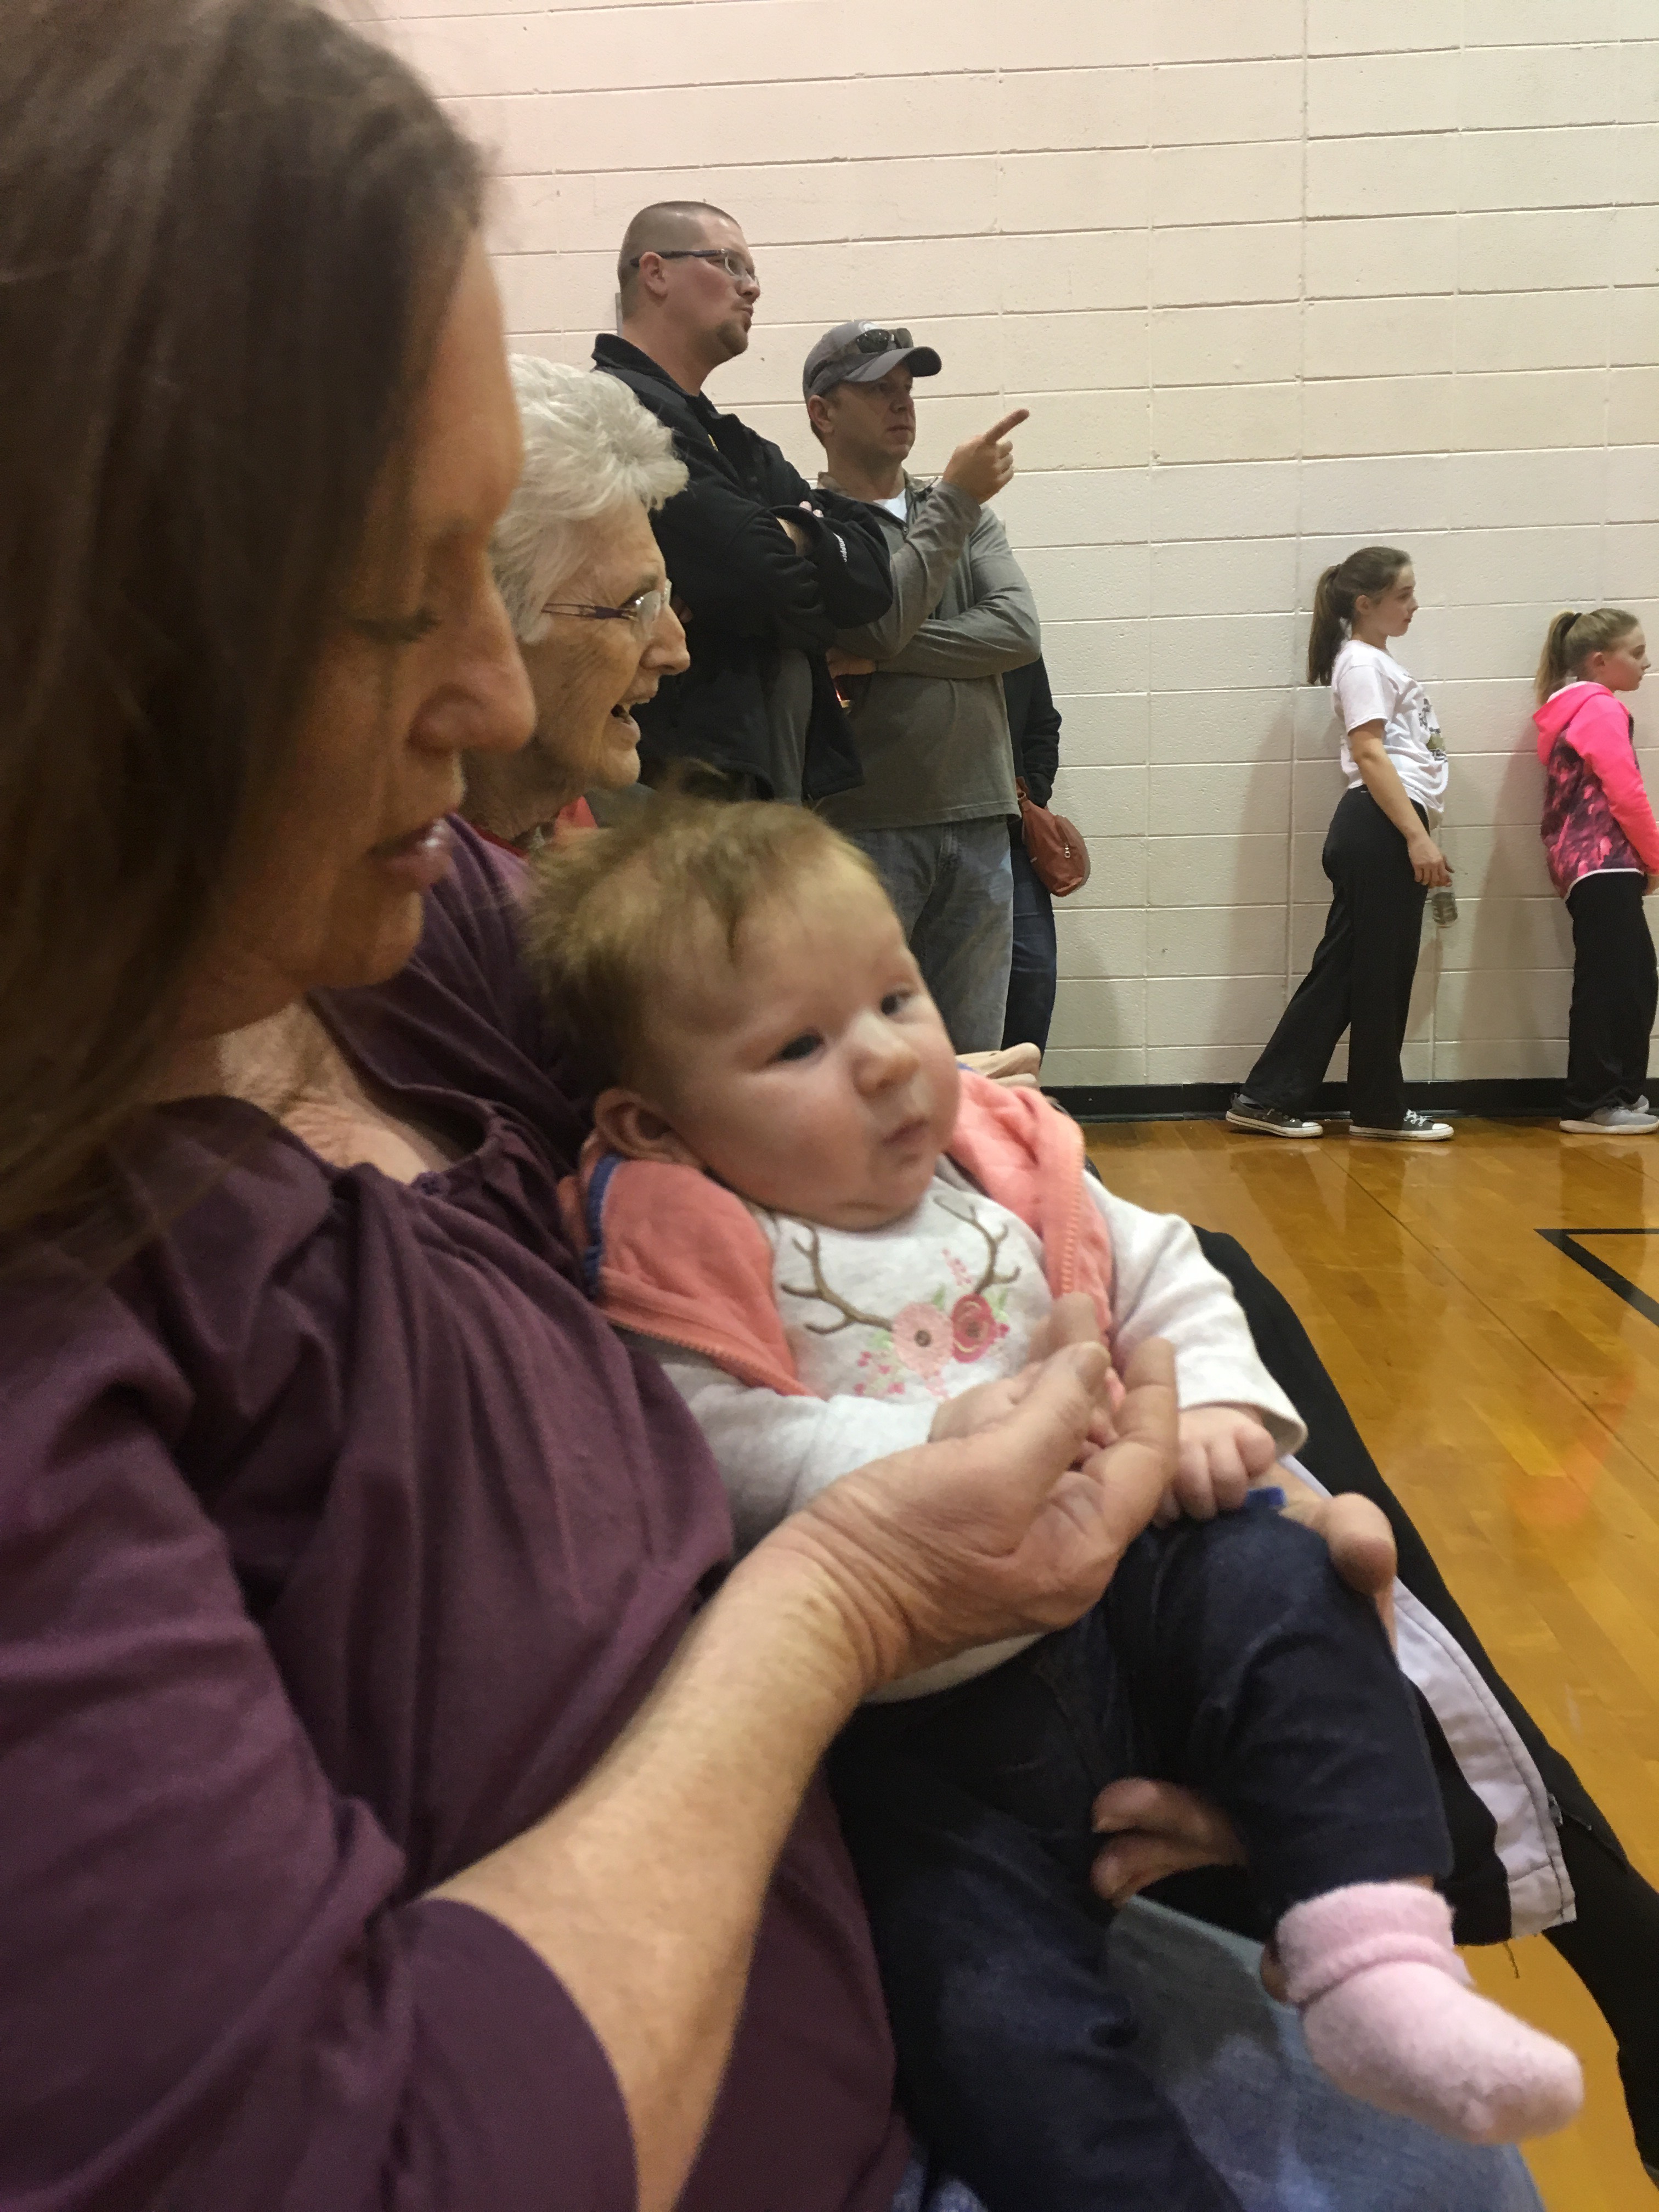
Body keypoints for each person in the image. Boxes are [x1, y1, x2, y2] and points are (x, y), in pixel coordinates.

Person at [5, 11, 1551, 2212]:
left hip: (941, 1879)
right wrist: (850, 1605)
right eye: (399, 598)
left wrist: (1178, 1693)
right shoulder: (102, 1292)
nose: (492, 690)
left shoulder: (382, 929)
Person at [526, 795, 1582, 2212]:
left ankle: (1378, 1960)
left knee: (1292, 1579)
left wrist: (1212, 1409)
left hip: (1129, 1600)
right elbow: (705, 1444)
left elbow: (1166, 1270)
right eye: (798, 1047)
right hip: (918, 1742)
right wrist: (912, 1449)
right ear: (656, 1122)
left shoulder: (994, 1155)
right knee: (990, 2025)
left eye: (896, 997)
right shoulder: (686, 1241)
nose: (888, 1059)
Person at [592, 202, 893, 803]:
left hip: (761, 776)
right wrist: (803, 586)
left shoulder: (731, 440)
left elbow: (869, 582)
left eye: (751, 271)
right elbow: (759, 579)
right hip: (670, 785)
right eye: (728, 263)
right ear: (655, 272)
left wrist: (793, 536)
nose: (751, 287)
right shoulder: (613, 411)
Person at [803, 318, 1040, 1051]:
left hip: (981, 813)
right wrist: (957, 502)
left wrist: (884, 657)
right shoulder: (808, 525)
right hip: (864, 823)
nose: (901, 403)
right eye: (877, 390)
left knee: (973, 1056)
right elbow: (876, 627)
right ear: (822, 412)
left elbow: (1016, 631)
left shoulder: (964, 513)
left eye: (906, 388)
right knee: (865, 1046)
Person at [1229, 546, 1454, 1144]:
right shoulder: (1361, 664)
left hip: (1383, 828)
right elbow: (1370, 752)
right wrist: (1416, 836)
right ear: (1365, 603)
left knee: (1352, 971)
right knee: (1380, 974)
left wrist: (1418, 832)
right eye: (1403, 595)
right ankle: (1372, 1108)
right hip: (1381, 829)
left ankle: (1272, 1097)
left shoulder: (1373, 661)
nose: (1414, 605)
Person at [468, 354, 690, 850]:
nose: (676, 652)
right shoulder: (392, 889)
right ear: (488, 627)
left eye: (664, 598)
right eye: (637, 604)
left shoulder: (634, 852)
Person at [1533, 607, 1659, 1135]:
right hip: (1601, 864)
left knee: (1635, 979)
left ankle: (1618, 1093)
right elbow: (1625, 791)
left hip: (1595, 866)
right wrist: (1655, 858)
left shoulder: (1578, 708)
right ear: (1601, 661)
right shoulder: (1600, 708)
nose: (1647, 663)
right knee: (1611, 983)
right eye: (1637, 652)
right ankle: (1592, 1102)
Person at [1002, 654, 1064, 1053]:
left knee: (1033, 971)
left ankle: (1014, 1086)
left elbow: (1043, 724)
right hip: (922, 824)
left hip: (1010, 833)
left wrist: (1031, 795)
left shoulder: (1014, 638)